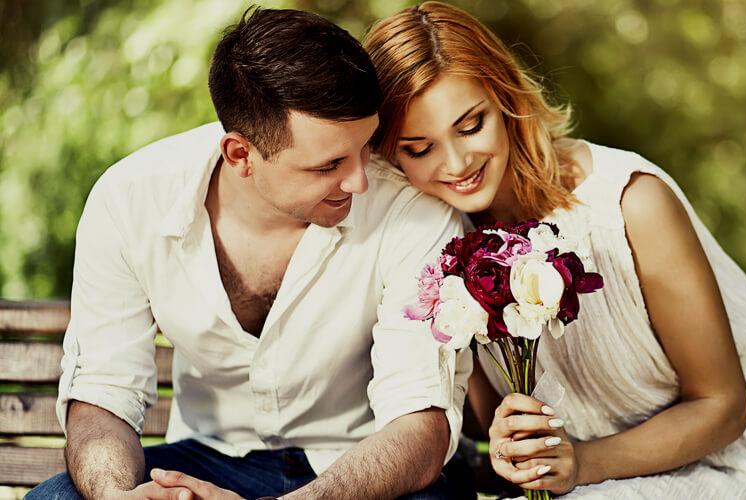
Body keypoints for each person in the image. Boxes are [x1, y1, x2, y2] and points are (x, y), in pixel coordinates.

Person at [362, 2, 746, 498]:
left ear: (504, 99)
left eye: (471, 125)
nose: (455, 163)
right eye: (418, 148)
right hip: (585, 484)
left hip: (734, 468)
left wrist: (580, 462)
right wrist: (509, 438)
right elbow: (483, 418)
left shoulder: (631, 204)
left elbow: (723, 407)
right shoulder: (443, 240)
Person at [28, 8, 472, 500]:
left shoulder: (415, 215)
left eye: (365, 146)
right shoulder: (129, 201)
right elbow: (103, 395)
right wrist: (119, 499)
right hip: (207, 458)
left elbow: (421, 425)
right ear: (240, 154)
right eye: (328, 165)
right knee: (56, 497)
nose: (360, 180)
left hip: (364, 469)